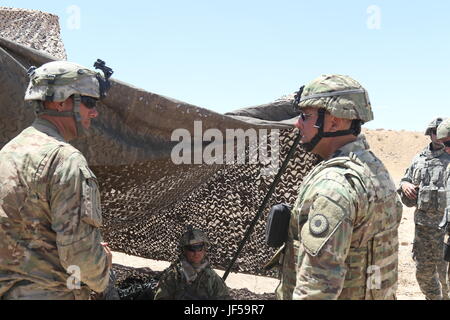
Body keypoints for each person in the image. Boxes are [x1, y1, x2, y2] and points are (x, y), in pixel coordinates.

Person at [275, 74, 402, 300]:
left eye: (305, 116)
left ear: (334, 121)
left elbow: (317, 290)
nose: (298, 123)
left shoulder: (334, 186)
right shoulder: (376, 170)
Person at [0, 60, 116, 300]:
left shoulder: (7, 152)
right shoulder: (66, 160)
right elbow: (80, 257)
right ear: (61, 102)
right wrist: (103, 264)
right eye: (89, 102)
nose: (94, 112)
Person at [398, 118, 450, 300]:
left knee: (445, 276)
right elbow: (405, 179)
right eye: (435, 131)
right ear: (430, 133)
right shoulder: (419, 159)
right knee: (423, 272)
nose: (439, 136)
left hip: (445, 230)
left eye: (441, 132)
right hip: (423, 229)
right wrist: (405, 186)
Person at [154, 227, 230, 300]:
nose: (196, 253)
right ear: (184, 251)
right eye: (191, 249)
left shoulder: (211, 276)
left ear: (205, 249)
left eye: (199, 247)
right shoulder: (173, 276)